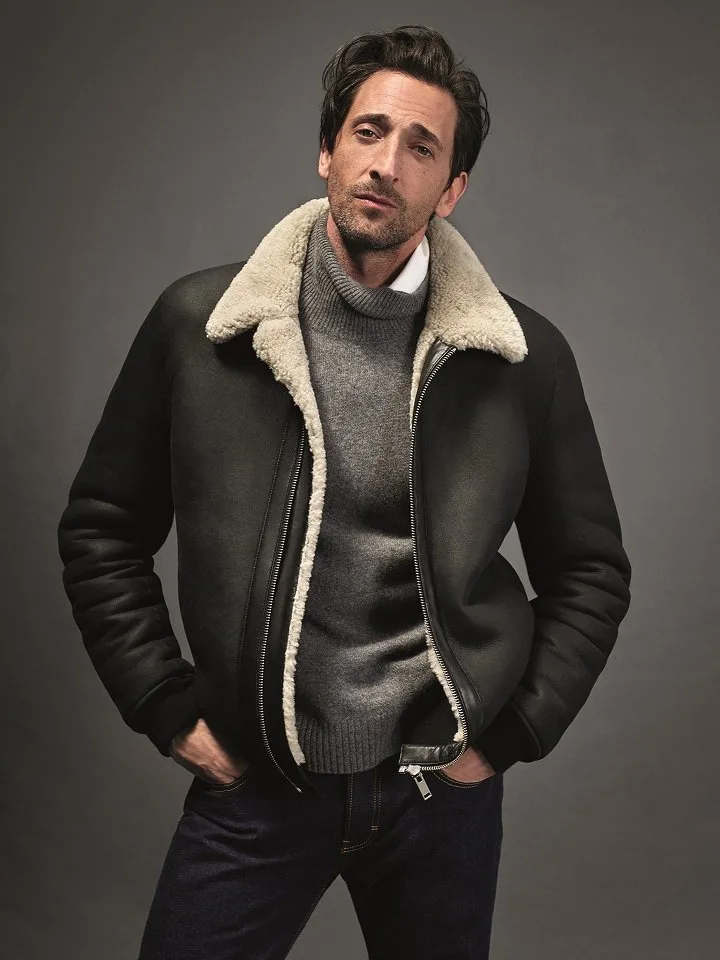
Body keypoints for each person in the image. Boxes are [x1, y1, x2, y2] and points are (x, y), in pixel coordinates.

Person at [57, 23, 632, 960]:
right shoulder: (204, 327)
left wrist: (507, 737)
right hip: (256, 789)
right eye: (368, 132)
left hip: (438, 795)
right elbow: (102, 529)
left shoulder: (521, 360)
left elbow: (592, 573)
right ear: (327, 149)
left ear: (452, 189)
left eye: (421, 147)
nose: (385, 164)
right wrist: (166, 705)